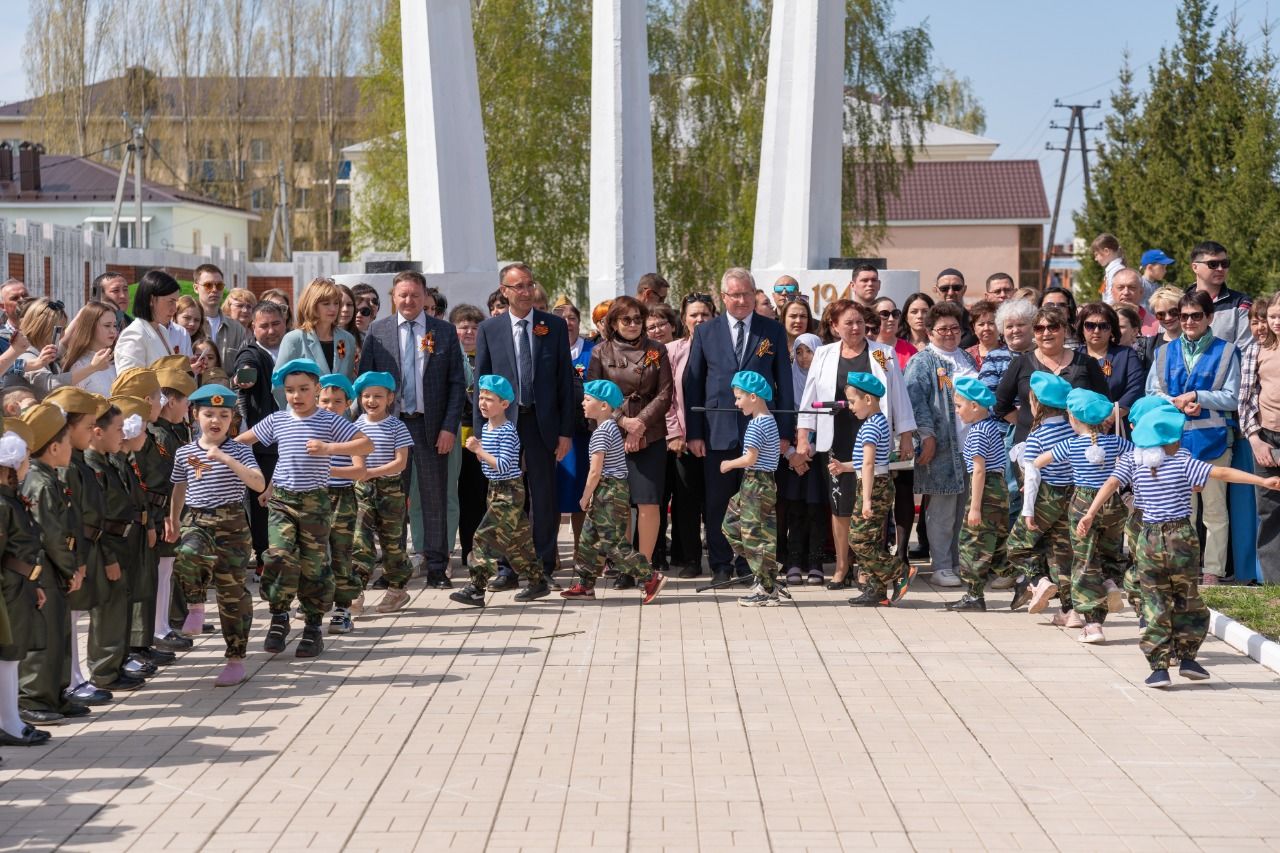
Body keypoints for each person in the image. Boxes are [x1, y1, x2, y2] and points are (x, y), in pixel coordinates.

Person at [1076, 406, 1280, 688]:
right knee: (1187, 597)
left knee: (1155, 601)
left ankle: (1158, 668)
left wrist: (1089, 513)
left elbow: (1111, 484)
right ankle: (1188, 658)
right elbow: (1221, 473)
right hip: (1181, 536)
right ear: (1173, 441)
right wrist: (1262, 480)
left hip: (1147, 538)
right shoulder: (1183, 461)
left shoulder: (1131, 461)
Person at [235, 358, 372, 659]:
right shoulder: (278, 420)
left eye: (303, 389)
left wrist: (329, 449)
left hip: (315, 503)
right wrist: (211, 451)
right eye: (290, 390)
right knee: (278, 557)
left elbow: (365, 445)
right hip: (282, 501)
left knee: (313, 566)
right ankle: (279, 616)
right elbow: (242, 442)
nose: (296, 396)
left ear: (316, 389)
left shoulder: (328, 421)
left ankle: (312, 627)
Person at [684, 268, 794, 586]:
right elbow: (693, 384)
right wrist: (694, 433)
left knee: (753, 502)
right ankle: (720, 563)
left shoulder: (771, 330)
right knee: (718, 500)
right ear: (724, 297)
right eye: (735, 294)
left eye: (747, 293)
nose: (742, 300)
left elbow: (783, 383)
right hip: (717, 430)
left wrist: (785, 431)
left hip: (760, 431)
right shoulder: (706, 332)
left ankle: (748, 562)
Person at [358, 271, 466, 589]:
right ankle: (394, 570)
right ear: (394, 296)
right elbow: (365, 380)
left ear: (424, 297)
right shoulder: (378, 333)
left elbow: (457, 385)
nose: (408, 301)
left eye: (415, 295)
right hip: (390, 427)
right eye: (402, 295)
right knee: (392, 499)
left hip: (430, 427)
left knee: (434, 498)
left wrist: (449, 428)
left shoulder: (443, 332)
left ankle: (436, 567)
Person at [795, 300, 914, 588]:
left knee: (870, 502)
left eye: (860, 321)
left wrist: (907, 433)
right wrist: (802, 437)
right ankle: (841, 565)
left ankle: (866, 567)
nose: (856, 327)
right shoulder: (823, 354)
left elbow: (897, 391)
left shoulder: (882, 353)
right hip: (836, 436)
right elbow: (809, 397)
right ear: (834, 326)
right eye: (848, 322)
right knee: (840, 505)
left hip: (873, 435)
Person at [473, 263, 574, 587]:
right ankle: (508, 568)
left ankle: (543, 566)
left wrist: (565, 432)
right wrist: (481, 434)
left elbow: (564, 382)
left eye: (530, 285)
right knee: (506, 496)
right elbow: (482, 383)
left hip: (541, 424)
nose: (526, 291)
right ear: (505, 291)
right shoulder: (490, 329)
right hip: (504, 423)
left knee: (543, 497)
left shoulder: (553, 326)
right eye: (519, 286)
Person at [168, 384, 263, 688]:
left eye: (223, 414)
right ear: (195, 415)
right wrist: (172, 519)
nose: (215, 420)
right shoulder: (184, 453)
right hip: (197, 519)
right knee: (186, 554)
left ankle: (235, 659)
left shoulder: (239, 450)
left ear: (232, 418)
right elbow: (179, 488)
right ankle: (196, 604)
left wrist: (226, 459)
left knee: (232, 594)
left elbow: (259, 484)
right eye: (208, 413)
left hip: (233, 523)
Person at [1145, 289, 1241, 585]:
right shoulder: (1163, 352)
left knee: (1214, 511)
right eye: (1183, 315)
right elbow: (1151, 393)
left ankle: (1212, 571)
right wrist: (1174, 401)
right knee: (1180, 511)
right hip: (1174, 444)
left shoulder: (1226, 351)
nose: (1187, 321)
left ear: (1209, 317)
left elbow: (1232, 397)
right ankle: (1184, 568)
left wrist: (1199, 396)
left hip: (1213, 441)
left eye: (1195, 315)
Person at [1032, 389, 1132, 640]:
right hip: (1112, 504)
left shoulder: (1071, 444)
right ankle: (1109, 583)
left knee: (1085, 561)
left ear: (1073, 419)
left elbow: (1039, 461)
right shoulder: (1116, 442)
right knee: (1110, 551)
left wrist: (1031, 469)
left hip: (1083, 505)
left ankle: (1093, 624)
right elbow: (1135, 457)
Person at [587, 296, 673, 579]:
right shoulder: (601, 352)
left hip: (651, 433)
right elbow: (593, 394)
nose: (634, 324)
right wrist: (623, 421)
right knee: (619, 503)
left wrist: (640, 425)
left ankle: (643, 565)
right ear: (613, 323)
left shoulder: (655, 350)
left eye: (639, 319)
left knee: (648, 501)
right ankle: (623, 564)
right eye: (627, 319)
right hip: (613, 434)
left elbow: (664, 394)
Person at [562, 379, 666, 603]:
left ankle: (651, 577)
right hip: (611, 490)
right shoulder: (610, 428)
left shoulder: (601, 434)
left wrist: (585, 496)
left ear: (603, 406)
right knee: (590, 538)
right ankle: (585, 585)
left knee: (613, 544)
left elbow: (595, 471)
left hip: (608, 491)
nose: (582, 403)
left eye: (588, 399)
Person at [17, 402, 87, 727]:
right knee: (44, 637)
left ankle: (56, 693)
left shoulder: (49, 477)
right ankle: (33, 698)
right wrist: (69, 566)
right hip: (45, 569)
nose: (72, 447)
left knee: (59, 633)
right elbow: (52, 534)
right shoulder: (41, 482)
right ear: (54, 447)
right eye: (68, 441)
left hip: (54, 569)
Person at [449, 375, 544, 607]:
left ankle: (476, 588)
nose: (482, 403)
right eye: (480, 397)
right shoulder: (487, 427)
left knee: (484, 537)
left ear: (504, 404)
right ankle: (537, 581)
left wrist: (479, 451)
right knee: (516, 541)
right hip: (495, 489)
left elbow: (503, 464)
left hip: (509, 491)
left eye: (489, 399)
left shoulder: (507, 431)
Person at [903, 302, 977, 588]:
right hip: (942, 446)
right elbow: (915, 401)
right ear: (930, 331)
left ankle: (958, 562)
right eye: (942, 329)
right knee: (942, 509)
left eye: (955, 328)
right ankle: (942, 565)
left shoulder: (966, 359)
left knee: (964, 508)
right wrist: (927, 436)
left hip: (971, 446)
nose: (949, 333)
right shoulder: (923, 361)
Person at [944, 376, 1027, 612]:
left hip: (986, 489)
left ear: (974, 406)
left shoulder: (979, 431)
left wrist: (975, 507)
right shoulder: (989, 425)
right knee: (996, 543)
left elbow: (979, 470)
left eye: (959, 406)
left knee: (972, 542)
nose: (957, 412)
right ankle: (1023, 581)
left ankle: (974, 596)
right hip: (997, 487)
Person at [837, 372, 912, 606]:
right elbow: (866, 462)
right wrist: (844, 467)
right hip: (876, 483)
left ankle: (899, 571)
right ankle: (876, 590)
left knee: (859, 539)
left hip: (873, 487)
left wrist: (867, 500)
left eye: (852, 401)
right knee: (871, 539)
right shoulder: (877, 423)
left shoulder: (871, 427)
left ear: (868, 399)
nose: (850, 407)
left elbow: (869, 465)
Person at [0, 415, 50, 745]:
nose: (26, 466)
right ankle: (9, 723)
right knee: (7, 655)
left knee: (13, 655)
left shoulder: (11, 498)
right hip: (8, 589)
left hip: (20, 585)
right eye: (23, 460)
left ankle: (11, 718)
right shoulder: (2, 503)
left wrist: (35, 583)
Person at [1008, 373, 1075, 615]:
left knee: (1017, 545)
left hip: (1045, 496)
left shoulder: (1037, 436)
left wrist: (1027, 510)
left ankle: (1038, 580)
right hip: (1071, 496)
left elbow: (1033, 476)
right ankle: (1071, 611)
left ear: (1035, 403)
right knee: (1062, 554)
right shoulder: (1073, 432)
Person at [994, 305, 1109, 445]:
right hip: (1031, 444)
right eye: (1039, 328)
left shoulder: (1087, 363)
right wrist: (1027, 420)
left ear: (1065, 330)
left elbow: (1104, 401)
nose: (1046, 333)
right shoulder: (1020, 363)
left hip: (1077, 446)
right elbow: (1000, 404)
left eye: (1053, 327)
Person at [349, 372, 414, 616]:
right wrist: (361, 473)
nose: (371, 401)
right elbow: (354, 458)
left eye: (378, 396)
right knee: (359, 539)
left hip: (390, 490)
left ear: (390, 398)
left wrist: (372, 471)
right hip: (362, 490)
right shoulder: (355, 427)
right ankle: (356, 591)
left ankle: (397, 589)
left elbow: (401, 463)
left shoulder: (397, 426)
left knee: (392, 542)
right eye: (366, 396)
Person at [717, 370, 782, 606]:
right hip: (757, 483)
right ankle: (767, 567)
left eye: (738, 397)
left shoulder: (757, 425)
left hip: (757, 482)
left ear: (753, 397)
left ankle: (766, 588)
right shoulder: (769, 420)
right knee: (732, 525)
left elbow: (750, 458)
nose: (736, 403)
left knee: (754, 535)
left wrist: (727, 464)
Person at [232, 301, 285, 572]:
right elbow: (244, 368)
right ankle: (264, 557)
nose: (271, 330)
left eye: (276, 323)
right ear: (253, 327)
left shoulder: (292, 349)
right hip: (264, 444)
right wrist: (244, 378)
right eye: (263, 325)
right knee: (262, 502)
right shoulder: (251, 352)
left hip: (296, 439)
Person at [666, 293, 714, 578]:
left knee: (716, 501)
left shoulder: (722, 348)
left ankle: (722, 558)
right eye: (694, 315)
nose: (699, 320)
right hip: (683, 440)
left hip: (718, 439)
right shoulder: (672, 350)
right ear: (683, 319)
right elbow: (668, 396)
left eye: (705, 314)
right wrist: (675, 433)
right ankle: (691, 559)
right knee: (686, 503)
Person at [316, 374, 362, 627]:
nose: (330, 406)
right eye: (324, 401)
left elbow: (360, 471)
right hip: (312, 497)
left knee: (341, 553)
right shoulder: (308, 429)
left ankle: (343, 608)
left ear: (347, 404)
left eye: (337, 402)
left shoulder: (351, 434)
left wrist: (328, 471)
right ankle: (313, 600)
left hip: (341, 498)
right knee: (313, 553)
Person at [1240, 293, 1280, 584]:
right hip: (1266, 438)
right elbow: (1245, 399)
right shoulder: (1257, 350)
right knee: (1269, 512)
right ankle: (1274, 584)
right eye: (1273, 316)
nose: (1276, 322)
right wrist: (1255, 438)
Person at [779, 333, 825, 585]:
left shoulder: (826, 382)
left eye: (810, 351)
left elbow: (829, 421)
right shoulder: (786, 383)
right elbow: (776, 419)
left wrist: (810, 450)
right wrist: (791, 454)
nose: (804, 357)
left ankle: (816, 562)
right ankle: (794, 561)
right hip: (790, 457)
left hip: (817, 457)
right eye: (799, 352)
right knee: (794, 508)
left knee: (816, 508)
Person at [276, 278, 359, 401]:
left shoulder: (347, 339)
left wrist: (349, 409)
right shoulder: (294, 339)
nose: (333, 308)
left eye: (336, 303)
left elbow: (349, 381)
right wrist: (293, 415)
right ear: (312, 305)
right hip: (304, 418)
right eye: (326, 304)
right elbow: (278, 384)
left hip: (339, 417)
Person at [448, 304, 486, 569]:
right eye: (463, 327)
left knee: (476, 495)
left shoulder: (487, 356)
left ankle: (473, 550)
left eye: (474, 327)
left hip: (481, 436)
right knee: (455, 495)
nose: (470, 332)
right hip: (454, 434)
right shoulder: (449, 357)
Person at [1077, 302, 1144, 422]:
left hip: (1117, 425)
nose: (1096, 331)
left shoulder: (1126, 355)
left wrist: (1111, 417)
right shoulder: (1074, 357)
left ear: (1112, 329)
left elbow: (1136, 389)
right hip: (1079, 427)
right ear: (1081, 328)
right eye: (1090, 325)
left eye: (1103, 326)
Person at [116, 270, 186, 371]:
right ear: (151, 300)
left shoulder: (162, 330)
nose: (174, 309)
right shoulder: (134, 334)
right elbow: (130, 382)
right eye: (171, 301)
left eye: (175, 302)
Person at [1187, 240, 1252, 349]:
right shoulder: (1178, 301)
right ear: (1195, 267)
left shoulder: (1241, 303)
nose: (1220, 269)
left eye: (1225, 264)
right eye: (1213, 264)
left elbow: (1244, 349)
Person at [192, 265, 248, 369]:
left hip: (228, 385)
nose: (214, 290)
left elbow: (244, 363)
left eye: (219, 286)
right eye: (208, 285)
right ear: (196, 288)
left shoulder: (237, 329)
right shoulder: (188, 325)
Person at [58, 300, 118, 397]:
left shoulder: (115, 361)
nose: (113, 331)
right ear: (90, 327)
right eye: (107, 325)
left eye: (115, 325)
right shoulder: (78, 366)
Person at [978, 298, 1036, 392]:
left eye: (1020, 325)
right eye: (1009, 326)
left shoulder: (1044, 353)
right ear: (1002, 331)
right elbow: (986, 395)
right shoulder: (993, 358)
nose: (1015, 330)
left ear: (1032, 326)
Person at [17, 298, 69, 397]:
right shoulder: (25, 354)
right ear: (45, 329)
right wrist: (92, 368)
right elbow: (51, 385)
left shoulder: (43, 352)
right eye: (60, 330)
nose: (64, 334)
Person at [1138, 284, 1185, 366]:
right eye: (1161, 314)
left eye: (1173, 312)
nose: (1168, 318)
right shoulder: (1148, 345)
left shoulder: (1196, 341)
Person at [935, 268, 977, 348]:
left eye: (956, 288)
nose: (950, 293)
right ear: (936, 291)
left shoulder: (974, 320)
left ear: (964, 290)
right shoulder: (927, 321)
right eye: (944, 288)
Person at [872, 297, 916, 371]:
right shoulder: (866, 349)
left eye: (895, 314)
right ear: (873, 318)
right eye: (885, 314)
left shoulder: (910, 350)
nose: (891, 319)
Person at [1112, 268, 1160, 336]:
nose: (1126, 292)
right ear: (1112, 292)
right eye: (1120, 287)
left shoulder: (1157, 326)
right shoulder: (1102, 322)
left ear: (1141, 292)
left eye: (1132, 287)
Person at [964, 300, 1000, 369]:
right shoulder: (966, 355)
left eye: (991, 323)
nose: (986, 328)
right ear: (974, 328)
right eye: (981, 324)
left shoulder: (1009, 353)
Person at [1092, 233, 1125, 303]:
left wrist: (1104, 311)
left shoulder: (1117, 270)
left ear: (1106, 251)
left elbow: (1112, 298)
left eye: (1096, 254)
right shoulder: (1111, 270)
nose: (1095, 259)